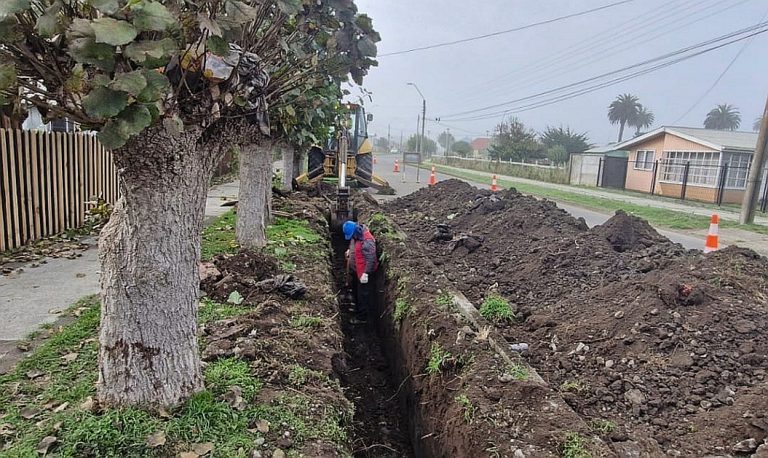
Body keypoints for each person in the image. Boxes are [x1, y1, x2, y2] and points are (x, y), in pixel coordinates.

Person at [343, 220, 378, 324]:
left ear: (356, 231)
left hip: (363, 273)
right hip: (356, 270)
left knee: (363, 295)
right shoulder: (356, 235)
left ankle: (362, 317)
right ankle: (356, 306)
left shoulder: (367, 241)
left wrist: (366, 273)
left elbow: (371, 259)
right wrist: (350, 250)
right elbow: (354, 244)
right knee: (355, 290)